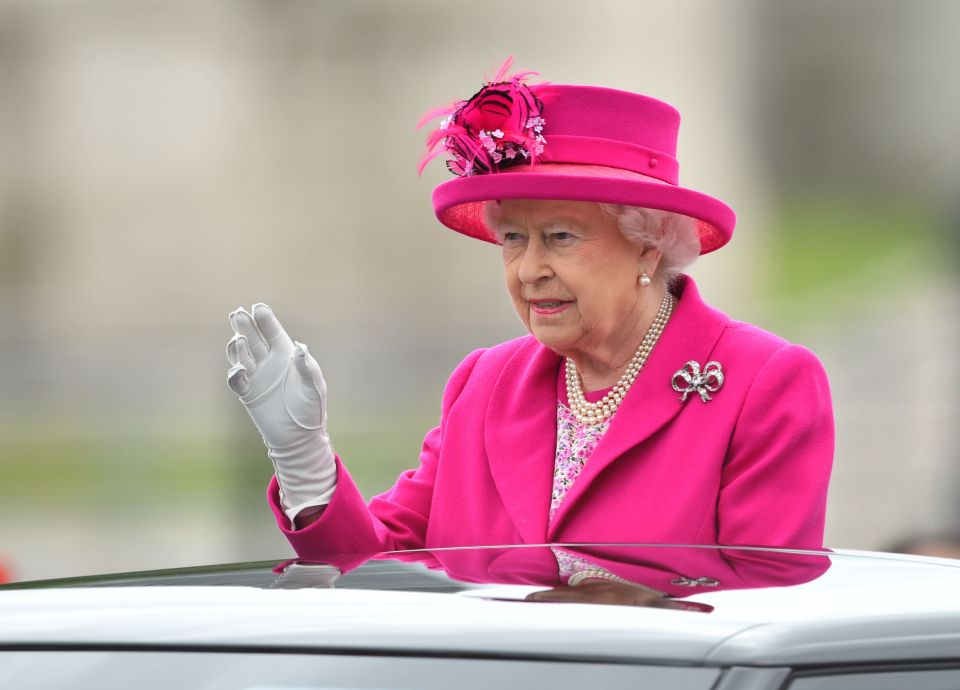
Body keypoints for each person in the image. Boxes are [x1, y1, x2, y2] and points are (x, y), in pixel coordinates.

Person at [225, 59, 834, 563]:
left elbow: (760, 612)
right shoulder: (484, 384)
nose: (527, 270)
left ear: (647, 242)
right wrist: (304, 461)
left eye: (561, 237)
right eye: (514, 239)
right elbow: (377, 572)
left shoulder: (764, 383)